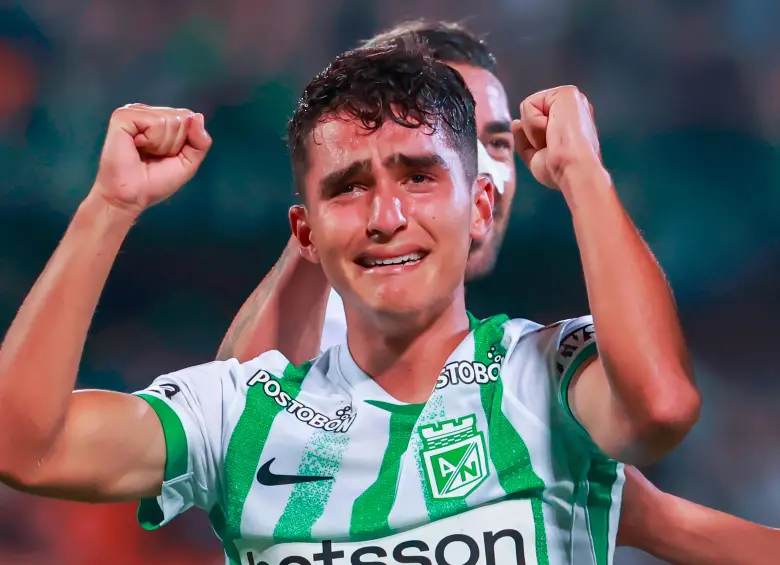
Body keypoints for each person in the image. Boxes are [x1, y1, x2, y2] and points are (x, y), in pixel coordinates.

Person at [0, 43, 697, 564]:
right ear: (306, 231)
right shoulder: (241, 411)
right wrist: (110, 206)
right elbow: (23, 448)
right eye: (348, 187)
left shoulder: (543, 375)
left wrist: (583, 173)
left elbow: (660, 407)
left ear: (479, 205)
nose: (386, 214)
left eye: (419, 176)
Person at [218, 21, 780, 565]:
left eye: (497, 141)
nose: (485, 170)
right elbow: (235, 443)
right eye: (453, 136)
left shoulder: (513, 371)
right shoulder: (327, 348)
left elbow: (659, 478)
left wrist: (584, 172)